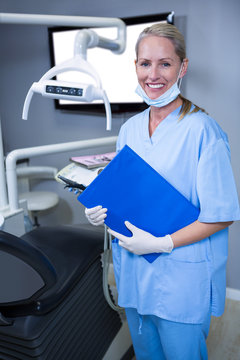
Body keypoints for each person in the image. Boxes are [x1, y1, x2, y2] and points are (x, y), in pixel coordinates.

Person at [85, 23, 240, 359]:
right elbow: (127, 194)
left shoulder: (203, 131)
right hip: (135, 272)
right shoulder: (130, 130)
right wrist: (102, 209)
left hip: (180, 278)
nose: (153, 74)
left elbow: (221, 215)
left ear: (182, 67)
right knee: (147, 352)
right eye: (145, 63)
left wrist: (162, 243)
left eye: (165, 63)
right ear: (136, 67)